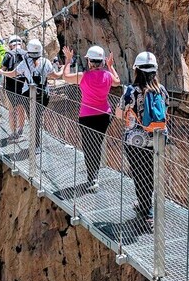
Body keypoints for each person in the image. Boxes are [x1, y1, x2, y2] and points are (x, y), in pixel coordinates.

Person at [118, 51, 168, 229]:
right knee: (150, 174)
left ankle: (147, 213)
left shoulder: (131, 91)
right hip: (156, 139)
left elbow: (118, 113)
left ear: (137, 71)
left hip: (134, 141)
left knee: (139, 175)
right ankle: (145, 205)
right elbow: (165, 112)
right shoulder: (161, 90)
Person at [62, 45, 121, 192]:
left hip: (87, 115)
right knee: (97, 143)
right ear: (102, 62)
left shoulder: (83, 76)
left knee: (89, 146)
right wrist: (110, 66)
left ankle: (92, 177)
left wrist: (68, 60)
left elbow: (65, 77)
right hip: (104, 115)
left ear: (89, 62)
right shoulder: (107, 75)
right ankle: (95, 175)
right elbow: (117, 82)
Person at [0, 39, 61, 152]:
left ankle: (35, 144)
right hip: (43, 95)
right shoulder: (46, 62)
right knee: (36, 117)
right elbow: (55, 76)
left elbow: (12, 74)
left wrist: (1, 72)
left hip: (28, 95)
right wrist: (65, 67)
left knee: (33, 118)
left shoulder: (25, 63)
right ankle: (36, 144)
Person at [1, 35, 27, 140]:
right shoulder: (27, 54)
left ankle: (13, 132)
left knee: (12, 110)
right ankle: (21, 130)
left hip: (11, 86)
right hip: (24, 85)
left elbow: (3, 69)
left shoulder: (8, 54)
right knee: (21, 109)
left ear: (11, 45)